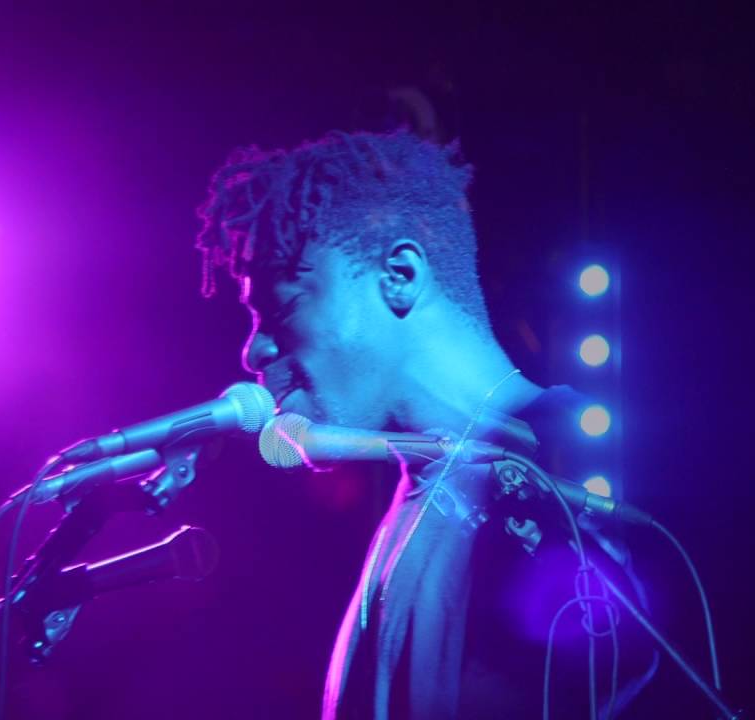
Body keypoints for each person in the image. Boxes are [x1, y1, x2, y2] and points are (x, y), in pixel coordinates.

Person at [195, 129, 650, 718]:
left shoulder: (554, 470)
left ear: (399, 275)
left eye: (281, 307)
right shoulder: (421, 495)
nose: (252, 354)